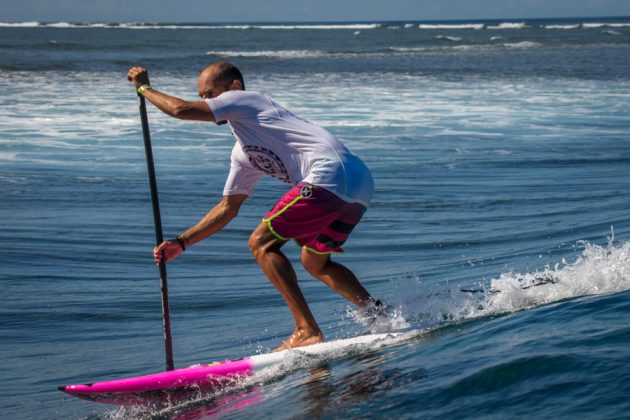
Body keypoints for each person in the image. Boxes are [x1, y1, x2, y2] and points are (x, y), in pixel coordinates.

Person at [127, 61, 381, 351]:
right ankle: (381, 317)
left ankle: (306, 329)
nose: (208, 101)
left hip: (330, 172)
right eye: (204, 96)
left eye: (211, 94)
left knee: (261, 243)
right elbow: (228, 208)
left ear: (234, 87)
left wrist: (144, 88)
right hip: (358, 185)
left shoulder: (250, 99)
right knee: (315, 261)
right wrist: (181, 243)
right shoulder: (243, 152)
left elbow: (180, 110)